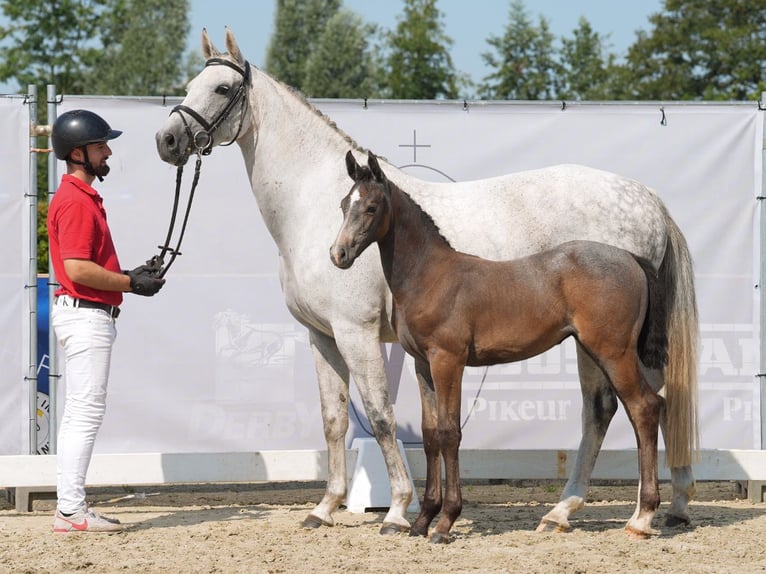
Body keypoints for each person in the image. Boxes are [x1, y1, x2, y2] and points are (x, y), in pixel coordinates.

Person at [47, 109, 165, 533]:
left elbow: (84, 266)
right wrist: (130, 283)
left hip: (85, 313)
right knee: (84, 413)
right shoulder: (77, 201)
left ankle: (70, 507)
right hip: (86, 316)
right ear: (78, 153)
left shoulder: (80, 197)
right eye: (100, 146)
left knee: (81, 412)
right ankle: (71, 511)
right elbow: (77, 270)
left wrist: (128, 275)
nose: (108, 151)